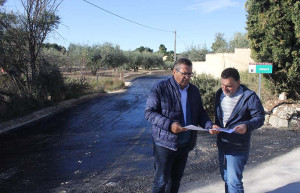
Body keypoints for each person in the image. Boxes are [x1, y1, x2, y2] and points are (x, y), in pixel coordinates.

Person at [145, 58, 217, 193]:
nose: (187, 77)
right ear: (174, 71)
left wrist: (209, 125)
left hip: (185, 143)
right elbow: (149, 113)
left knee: (175, 180)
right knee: (161, 181)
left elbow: (200, 112)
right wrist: (170, 125)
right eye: (184, 73)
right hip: (164, 145)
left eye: (190, 74)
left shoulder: (194, 90)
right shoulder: (160, 88)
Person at [210, 67, 265, 193]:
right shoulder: (219, 94)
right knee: (226, 179)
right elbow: (220, 118)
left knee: (234, 182)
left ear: (238, 82)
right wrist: (214, 126)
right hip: (222, 143)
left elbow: (260, 117)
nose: (225, 89)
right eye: (222, 84)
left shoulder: (249, 97)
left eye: (229, 86)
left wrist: (246, 126)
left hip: (238, 146)